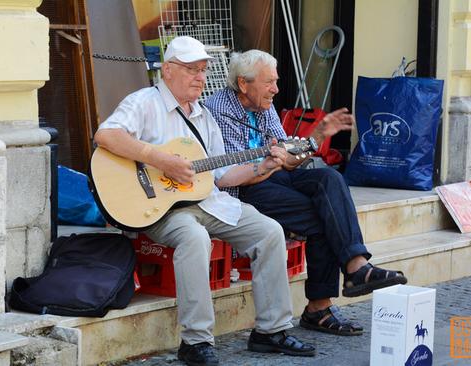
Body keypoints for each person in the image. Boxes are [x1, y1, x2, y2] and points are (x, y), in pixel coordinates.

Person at [93, 37, 315, 366]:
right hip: (163, 210)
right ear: (167, 71)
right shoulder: (144, 102)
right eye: (192, 70)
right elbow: (106, 135)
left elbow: (221, 175)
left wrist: (264, 165)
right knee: (194, 238)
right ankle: (196, 342)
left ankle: (271, 331)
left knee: (269, 231)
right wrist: (160, 159)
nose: (200, 77)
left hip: (207, 201)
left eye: (203, 70)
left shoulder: (204, 116)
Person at [205, 50, 408, 337]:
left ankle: (356, 265)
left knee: (329, 176)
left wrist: (317, 136)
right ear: (243, 83)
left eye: (276, 82)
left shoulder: (265, 105)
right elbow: (231, 174)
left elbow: (289, 158)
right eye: (269, 83)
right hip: (246, 189)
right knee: (325, 217)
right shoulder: (218, 110)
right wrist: (269, 164)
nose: (276, 89)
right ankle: (320, 306)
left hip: (277, 176)